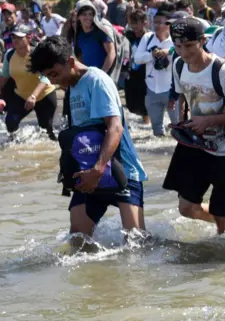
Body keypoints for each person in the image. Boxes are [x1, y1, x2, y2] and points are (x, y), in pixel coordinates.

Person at [29, 36, 147, 239]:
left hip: (121, 170)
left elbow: (115, 127)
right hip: (87, 172)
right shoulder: (71, 87)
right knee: (77, 240)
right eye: (48, 77)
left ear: (70, 62)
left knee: (136, 242)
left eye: (55, 74)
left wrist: (98, 169)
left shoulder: (97, 81)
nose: (53, 81)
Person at [164, 17, 225, 234]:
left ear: (203, 41)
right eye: (178, 46)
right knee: (186, 208)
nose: (184, 52)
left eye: (189, 45)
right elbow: (183, 97)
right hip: (194, 144)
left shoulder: (223, 71)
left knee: (223, 223)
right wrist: (180, 125)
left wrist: (209, 121)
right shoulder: (178, 65)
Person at [0, 24, 57, 139]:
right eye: (13, 37)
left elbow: (46, 78)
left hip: (44, 95)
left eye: (19, 37)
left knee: (46, 131)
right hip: (22, 96)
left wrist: (33, 96)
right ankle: (14, 146)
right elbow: (4, 77)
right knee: (10, 123)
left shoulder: (38, 54)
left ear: (29, 37)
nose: (15, 40)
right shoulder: (9, 55)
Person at [132, 12, 177, 136]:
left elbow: (184, 54)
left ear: (168, 24)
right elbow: (137, 59)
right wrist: (151, 55)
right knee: (156, 129)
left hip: (172, 90)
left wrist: (168, 52)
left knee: (179, 126)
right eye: (155, 22)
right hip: (152, 88)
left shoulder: (175, 39)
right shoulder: (148, 37)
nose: (156, 25)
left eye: (160, 22)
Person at [72, 0, 116, 75]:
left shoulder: (101, 32)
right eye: (84, 14)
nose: (88, 17)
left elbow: (111, 53)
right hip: (89, 76)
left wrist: (102, 73)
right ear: (78, 17)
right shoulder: (79, 35)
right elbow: (80, 57)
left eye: (90, 14)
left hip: (104, 75)